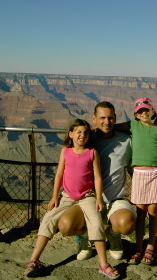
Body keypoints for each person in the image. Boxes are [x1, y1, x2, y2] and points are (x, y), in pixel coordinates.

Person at [23, 119, 119, 279]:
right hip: (66, 196)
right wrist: (54, 196)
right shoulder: (65, 151)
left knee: (95, 223)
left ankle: (103, 264)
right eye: (79, 132)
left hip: (87, 196)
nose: (82, 135)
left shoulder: (92, 153)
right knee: (48, 220)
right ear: (71, 134)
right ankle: (34, 261)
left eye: (86, 132)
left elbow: (97, 176)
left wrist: (99, 199)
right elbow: (59, 174)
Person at [56, 101, 136, 262]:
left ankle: (113, 235)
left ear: (116, 119)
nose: (107, 122)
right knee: (65, 226)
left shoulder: (127, 141)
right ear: (94, 119)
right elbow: (69, 164)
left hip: (115, 199)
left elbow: (133, 170)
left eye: (111, 118)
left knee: (126, 224)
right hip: (88, 199)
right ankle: (86, 236)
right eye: (102, 118)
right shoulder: (86, 140)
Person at [114, 97, 157, 266]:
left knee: (153, 211)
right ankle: (138, 247)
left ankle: (150, 246)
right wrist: (95, 128)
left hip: (156, 172)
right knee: (140, 213)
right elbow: (113, 127)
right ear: (136, 115)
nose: (144, 113)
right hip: (139, 173)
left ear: (153, 111)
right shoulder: (133, 126)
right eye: (140, 111)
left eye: (147, 109)